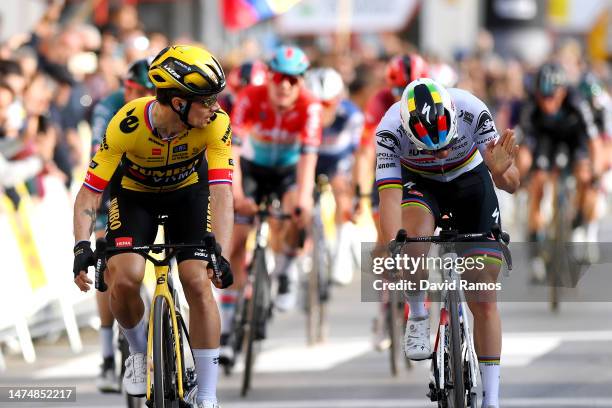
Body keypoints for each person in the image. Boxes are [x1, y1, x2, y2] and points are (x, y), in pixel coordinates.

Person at [72, 45, 234, 408]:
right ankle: (137, 350)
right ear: (178, 102)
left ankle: (206, 393)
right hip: (135, 197)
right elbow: (89, 192)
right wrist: (82, 246)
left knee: (197, 279)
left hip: (188, 196)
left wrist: (218, 250)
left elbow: (223, 192)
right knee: (125, 276)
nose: (214, 107)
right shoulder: (126, 124)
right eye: (206, 100)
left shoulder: (216, 123)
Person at [376, 78, 519, 408]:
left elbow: (512, 184)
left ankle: (492, 399)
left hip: (470, 179)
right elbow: (389, 198)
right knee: (411, 246)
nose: (439, 151)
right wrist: (393, 248)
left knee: (483, 297)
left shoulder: (472, 111)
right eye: (430, 146)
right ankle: (416, 312)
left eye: (444, 143)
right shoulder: (389, 129)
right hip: (420, 183)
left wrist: (500, 173)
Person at [218, 45, 322, 363]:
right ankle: (225, 329)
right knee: (235, 243)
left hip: (288, 171)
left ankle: (287, 270)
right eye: (279, 77)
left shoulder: (310, 106)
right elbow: (231, 150)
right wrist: (236, 194)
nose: (285, 85)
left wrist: (302, 200)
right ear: (270, 77)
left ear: (301, 81)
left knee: (298, 213)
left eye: (293, 79)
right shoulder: (251, 96)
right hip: (252, 169)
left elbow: (308, 159)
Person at [89, 58, 155, 393]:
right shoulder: (109, 107)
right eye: (136, 90)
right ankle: (107, 358)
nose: (143, 96)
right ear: (126, 87)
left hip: (154, 186)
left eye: (149, 92)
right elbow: (98, 161)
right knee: (108, 267)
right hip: (113, 185)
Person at [352, 53, 428, 348]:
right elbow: (366, 151)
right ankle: (385, 307)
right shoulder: (379, 101)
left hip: (423, 168)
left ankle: (417, 302)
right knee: (385, 239)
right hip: (389, 166)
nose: (403, 97)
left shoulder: (434, 95)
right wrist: (361, 192)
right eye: (398, 91)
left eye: (409, 88)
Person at [516, 62, 603, 279]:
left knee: (585, 174)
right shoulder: (532, 106)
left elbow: (594, 142)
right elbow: (525, 148)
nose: (547, 102)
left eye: (552, 96)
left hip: (575, 140)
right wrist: (523, 175)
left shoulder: (576, 101)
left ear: (563, 91)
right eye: (542, 97)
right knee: (537, 180)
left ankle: (578, 221)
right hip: (547, 141)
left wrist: (596, 171)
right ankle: (537, 244)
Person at [304, 67, 364, 285]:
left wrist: (357, 190)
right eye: (316, 104)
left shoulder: (352, 115)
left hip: (337, 160)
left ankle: (341, 254)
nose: (321, 111)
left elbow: (359, 155)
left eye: (327, 104)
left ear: (339, 99)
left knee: (342, 192)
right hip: (310, 158)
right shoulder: (301, 112)